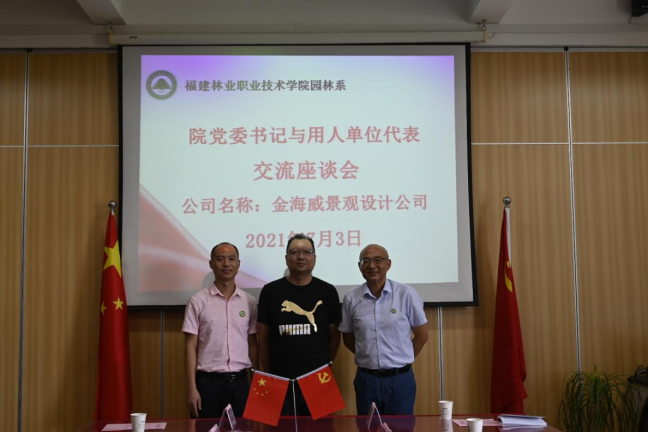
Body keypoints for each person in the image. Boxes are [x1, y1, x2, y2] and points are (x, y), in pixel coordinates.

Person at [257, 233, 341, 416]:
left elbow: (335, 337)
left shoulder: (328, 291)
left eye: (307, 252)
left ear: (314, 258)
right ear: (286, 258)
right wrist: (270, 372)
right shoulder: (270, 291)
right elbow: (263, 338)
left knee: (322, 428)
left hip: (319, 379)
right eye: (295, 252)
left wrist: (327, 365)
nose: (301, 257)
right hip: (279, 379)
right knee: (279, 428)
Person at [339, 244, 428, 415]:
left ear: (388, 264)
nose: (372, 265)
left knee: (401, 426)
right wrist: (369, 356)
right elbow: (348, 338)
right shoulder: (351, 298)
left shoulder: (406, 294)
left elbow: (422, 335)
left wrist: (402, 357)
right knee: (368, 426)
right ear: (359, 266)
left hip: (400, 379)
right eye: (366, 261)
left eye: (377, 260)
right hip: (366, 380)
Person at [182, 242, 259, 418]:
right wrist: (191, 388)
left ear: (238, 263)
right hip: (208, 384)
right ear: (211, 264)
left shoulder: (249, 301)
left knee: (243, 429)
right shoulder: (197, 301)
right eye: (220, 259)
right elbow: (190, 347)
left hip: (241, 383)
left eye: (231, 259)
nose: (226, 264)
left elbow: (253, 344)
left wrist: (255, 382)